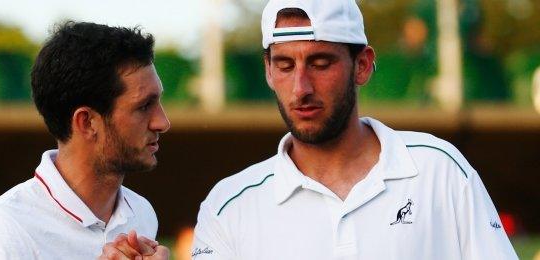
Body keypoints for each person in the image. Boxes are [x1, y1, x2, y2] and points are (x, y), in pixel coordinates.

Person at [191, 0, 518, 259]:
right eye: (285, 66)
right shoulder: (228, 207)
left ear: (362, 65)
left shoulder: (440, 171)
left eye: (320, 64)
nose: (300, 88)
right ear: (268, 71)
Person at [0, 22, 170, 259]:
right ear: (87, 122)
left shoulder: (142, 213)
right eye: (144, 106)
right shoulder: (2, 231)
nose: (162, 122)